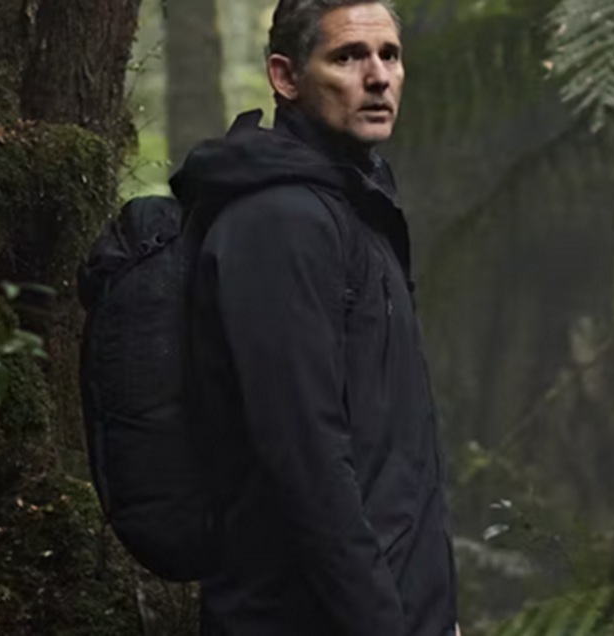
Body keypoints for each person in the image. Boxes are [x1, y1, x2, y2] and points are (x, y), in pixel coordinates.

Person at [170, 1, 459, 634]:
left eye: (389, 55)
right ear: (285, 77)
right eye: (348, 57)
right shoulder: (279, 222)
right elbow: (306, 462)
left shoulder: (354, 208)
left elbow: (392, 460)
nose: (377, 76)